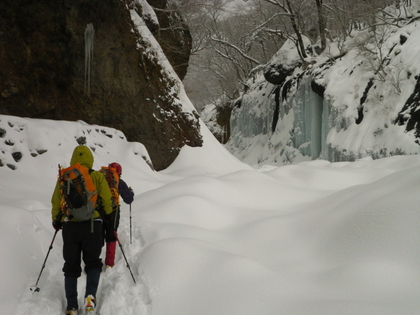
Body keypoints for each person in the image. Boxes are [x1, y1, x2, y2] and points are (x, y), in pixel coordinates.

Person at [51, 145, 113, 315]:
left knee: (71, 266)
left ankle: (71, 304)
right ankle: (90, 297)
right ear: (90, 159)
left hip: (70, 226)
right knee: (93, 263)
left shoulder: (64, 177)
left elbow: (56, 201)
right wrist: (107, 215)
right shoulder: (96, 176)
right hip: (93, 225)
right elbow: (107, 199)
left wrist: (56, 220)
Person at [103, 162, 134, 268]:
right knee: (112, 234)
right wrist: (130, 193)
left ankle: (94, 261)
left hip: (98, 210)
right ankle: (109, 262)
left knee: (97, 234)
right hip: (113, 210)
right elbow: (128, 199)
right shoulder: (118, 181)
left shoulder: (100, 177)